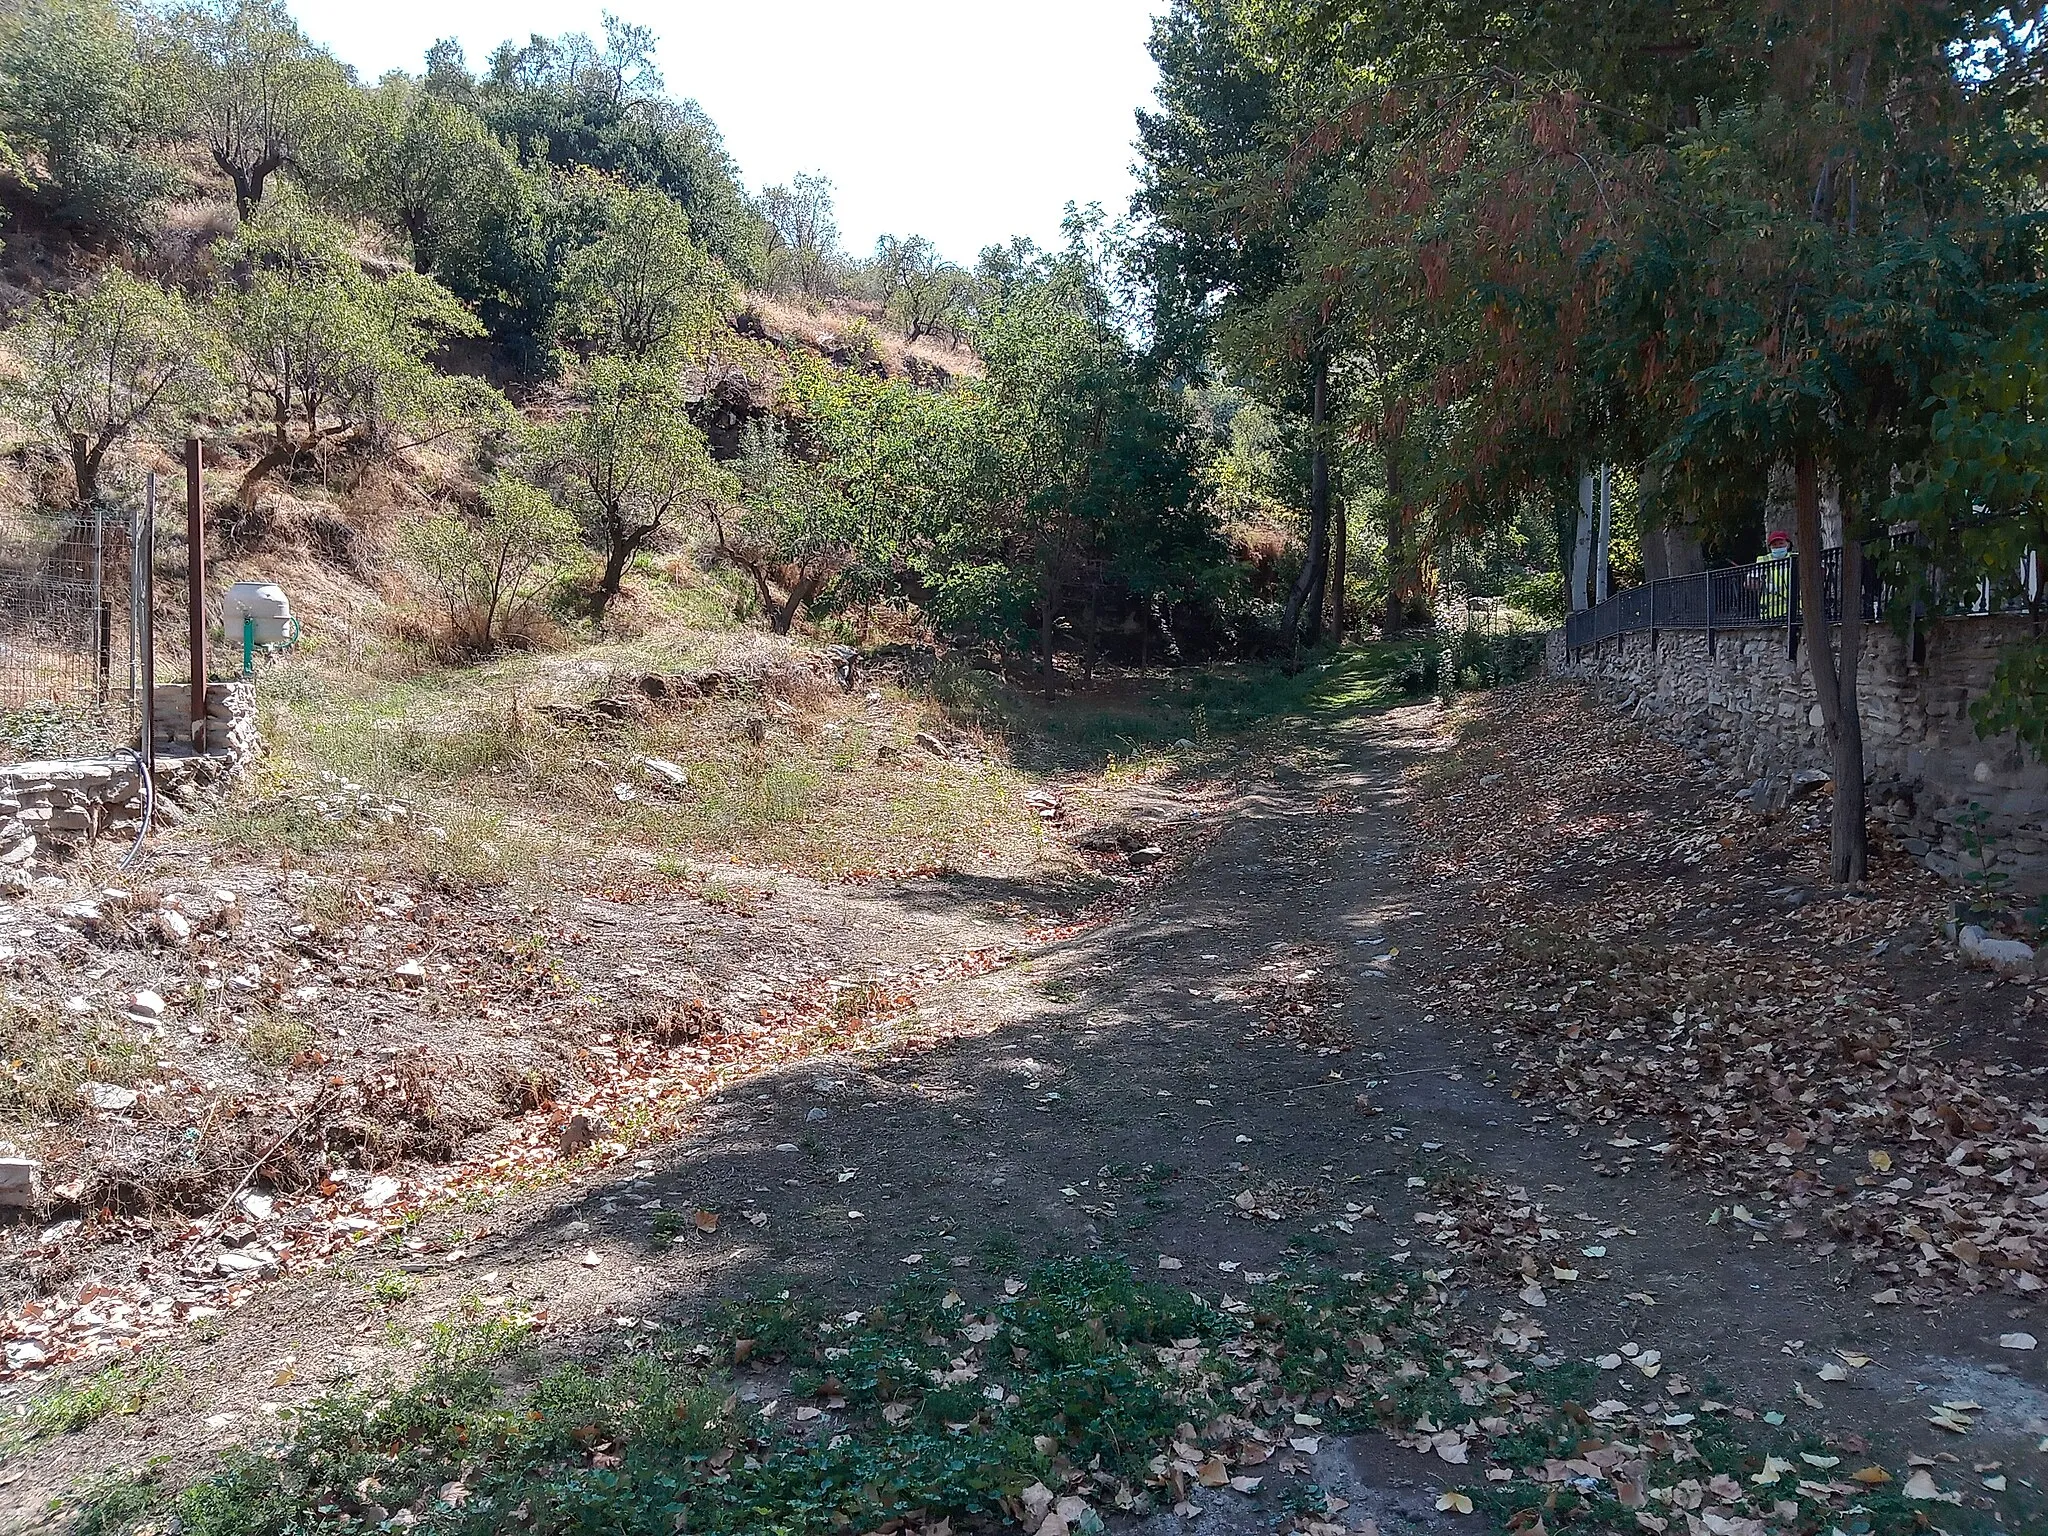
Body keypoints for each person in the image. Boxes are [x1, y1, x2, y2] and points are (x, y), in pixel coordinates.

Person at [1755, 529, 1792, 620]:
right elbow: (1749, 582)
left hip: (1795, 610)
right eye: (1774, 545)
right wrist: (1765, 586)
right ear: (1770, 547)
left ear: (1788, 544)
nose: (1778, 547)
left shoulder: (1796, 557)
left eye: (1781, 543)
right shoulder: (1763, 560)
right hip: (1771, 613)